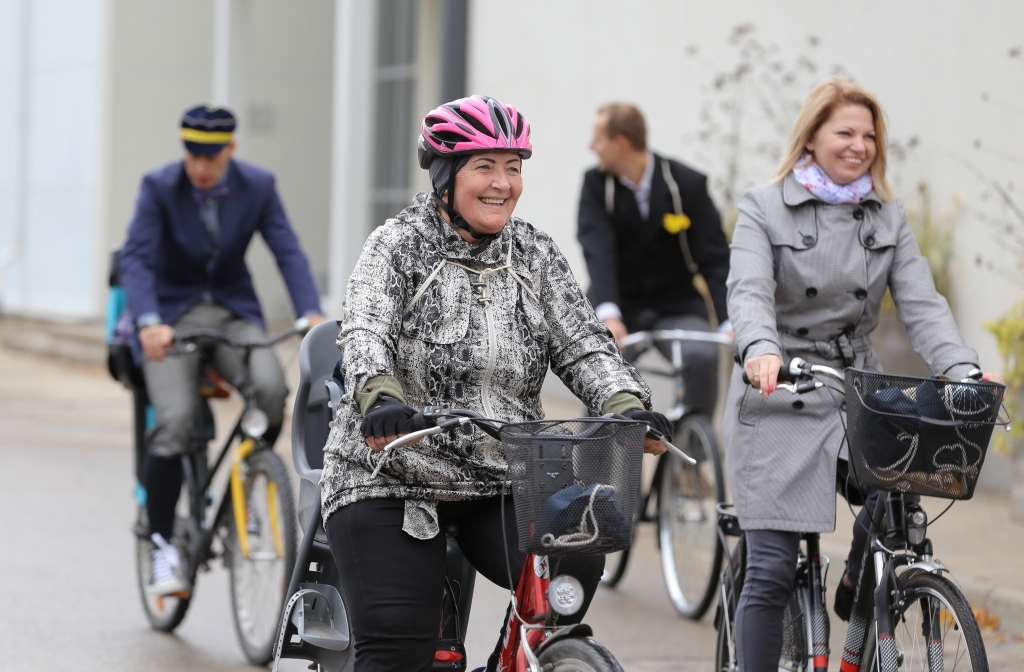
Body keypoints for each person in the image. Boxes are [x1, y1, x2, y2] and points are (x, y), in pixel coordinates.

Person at [319, 95, 672, 672]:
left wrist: (625, 402)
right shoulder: (398, 245)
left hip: (504, 473)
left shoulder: (533, 254)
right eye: (484, 167)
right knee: (399, 648)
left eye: (513, 168)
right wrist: (380, 396)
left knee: (573, 566)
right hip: (393, 477)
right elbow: (365, 329)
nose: (502, 184)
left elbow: (583, 343)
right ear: (445, 177)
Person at [723, 77, 1003, 671]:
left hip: (858, 388)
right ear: (813, 136)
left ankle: (858, 581)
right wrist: (759, 348)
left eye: (869, 135)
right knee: (770, 568)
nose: (859, 146)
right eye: (844, 132)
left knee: (902, 496)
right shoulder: (763, 205)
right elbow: (748, 291)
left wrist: (962, 369)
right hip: (781, 385)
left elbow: (922, 304)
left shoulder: (888, 217)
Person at [119, 105, 324, 596]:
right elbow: (138, 258)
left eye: (211, 156)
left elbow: (287, 250)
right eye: (192, 154)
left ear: (231, 149)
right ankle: (163, 544)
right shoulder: (158, 187)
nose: (201, 166)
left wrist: (310, 312)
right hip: (172, 319)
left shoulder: (259, 186)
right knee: (174, 420)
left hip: (234, 314)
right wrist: (148, 322)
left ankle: (251, 484)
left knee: (275, 390)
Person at [577, 103, 731, 416]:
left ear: (620, 143)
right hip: (618, 302)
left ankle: (693, 452)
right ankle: (597, 460)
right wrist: (608, 313)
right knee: (601, 365)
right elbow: (598, 251)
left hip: (677, 304)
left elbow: (714, 259)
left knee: (702, 355)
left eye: (598, 139)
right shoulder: (596, 186)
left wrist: (729, 320)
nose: (591, 147)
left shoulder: (686, 185)